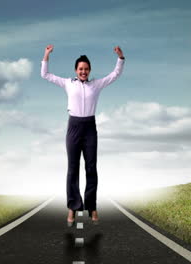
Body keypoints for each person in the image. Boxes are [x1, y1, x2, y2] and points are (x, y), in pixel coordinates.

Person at [41, 44, 125, 227]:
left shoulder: (96, 84)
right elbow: (45, 75)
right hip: (73, 127)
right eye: (80, 69)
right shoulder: (67, 83)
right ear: (75, 70)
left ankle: (92, 207)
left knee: (91, 168)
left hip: (89, 128)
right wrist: (46, 55)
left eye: (86, 69)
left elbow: (114, 75)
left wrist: (120, 58)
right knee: (72, 168)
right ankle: (73, 206)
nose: (83, 71)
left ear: (90, 70)